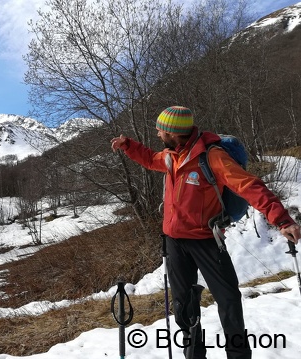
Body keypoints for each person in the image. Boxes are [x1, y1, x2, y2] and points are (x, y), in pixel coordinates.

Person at [111, 106, 300, 359]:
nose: (157, 133)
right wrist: (128, 145)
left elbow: (249, 186)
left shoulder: (211, 157)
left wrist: (282, 219)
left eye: (160, 129)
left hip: (206, 240)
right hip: (175, 242)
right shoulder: (171, 156)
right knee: (183, 306)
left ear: (173, 133)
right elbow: (149, 159)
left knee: (228, 300)